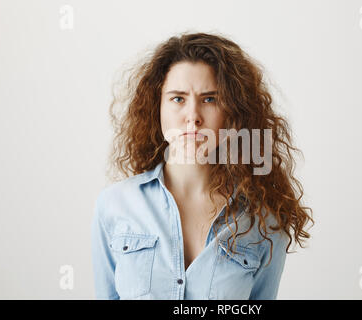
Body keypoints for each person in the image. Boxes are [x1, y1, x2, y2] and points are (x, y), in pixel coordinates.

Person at [91, 31, 314, 300]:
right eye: (178, 99)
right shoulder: (115, 205)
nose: (193, 117)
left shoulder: (264, 223)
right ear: (156, 106)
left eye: (210, 99)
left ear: (232, 111)